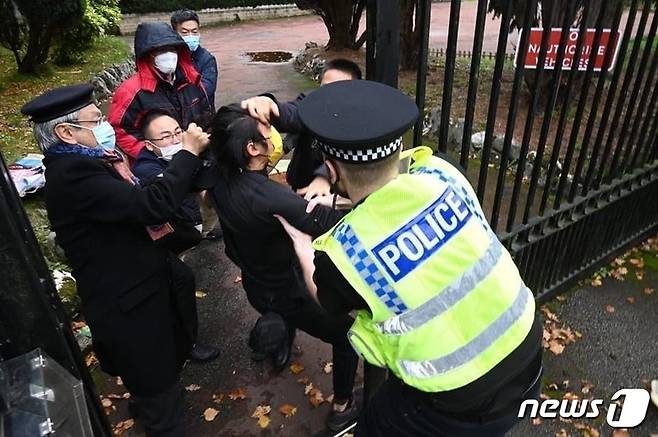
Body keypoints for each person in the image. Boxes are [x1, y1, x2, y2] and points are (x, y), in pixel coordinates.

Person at [276, 80, 544, 437]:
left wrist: (300, 243)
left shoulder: (343, 255)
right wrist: (347, 200)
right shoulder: (443, 172)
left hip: (458, 399)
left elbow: (326, 300)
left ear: (332, 170)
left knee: (373, 425)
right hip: (527, 346)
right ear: (399, 146)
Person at [21, 83, 211, 436]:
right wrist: (187, 153)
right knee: (160, 399)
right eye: (95, 120)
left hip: (142, 283)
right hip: (129, 306)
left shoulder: (94, 161)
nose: (105, 125)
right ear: (66, 132)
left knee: (157, 377)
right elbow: (150, 206)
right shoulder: (74, 176)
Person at [207, 104, 360, 431]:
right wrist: (351, 198)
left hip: (256, 282)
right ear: (251, 149)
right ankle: (343, 407)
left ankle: (278, 342)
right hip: (288, 290)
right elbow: (332, 224)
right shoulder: (271, 199)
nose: (274, 137)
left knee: (278, 314)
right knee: (347, 337)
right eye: (266, 133)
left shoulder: (217, 176)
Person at [240, 58, 362, 198]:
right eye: (324, 88)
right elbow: (292, 113)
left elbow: (354, 158)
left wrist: (324, 176)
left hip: (336, 195)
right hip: (300, 187)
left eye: (337, 90)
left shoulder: (359, 121)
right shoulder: (311, 105)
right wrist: (268, 105)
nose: (328, 96)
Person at [109, 21, 214, 160]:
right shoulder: (131, 91)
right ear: (148, 55)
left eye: (172, 49)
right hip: (160, 162)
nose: (169, 55)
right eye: (160, 51)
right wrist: (151, 153)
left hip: (197, 154)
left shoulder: (192, 80)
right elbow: (119, 130)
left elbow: (207, 115)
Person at [133, 109, 204, 255]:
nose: (176, 140)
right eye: (166, 137)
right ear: (149, 145)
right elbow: (173, 189)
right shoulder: (145, 170)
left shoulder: (190, 147)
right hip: (176, 227)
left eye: (178, 132)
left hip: (194, 213)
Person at [171, 9, 218, 109]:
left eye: (194, 32)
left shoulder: (207, 59)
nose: (190, 36)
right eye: (185, 32)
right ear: (174, 33)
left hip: (203, 115)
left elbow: (206, 90)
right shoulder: (170, 58)